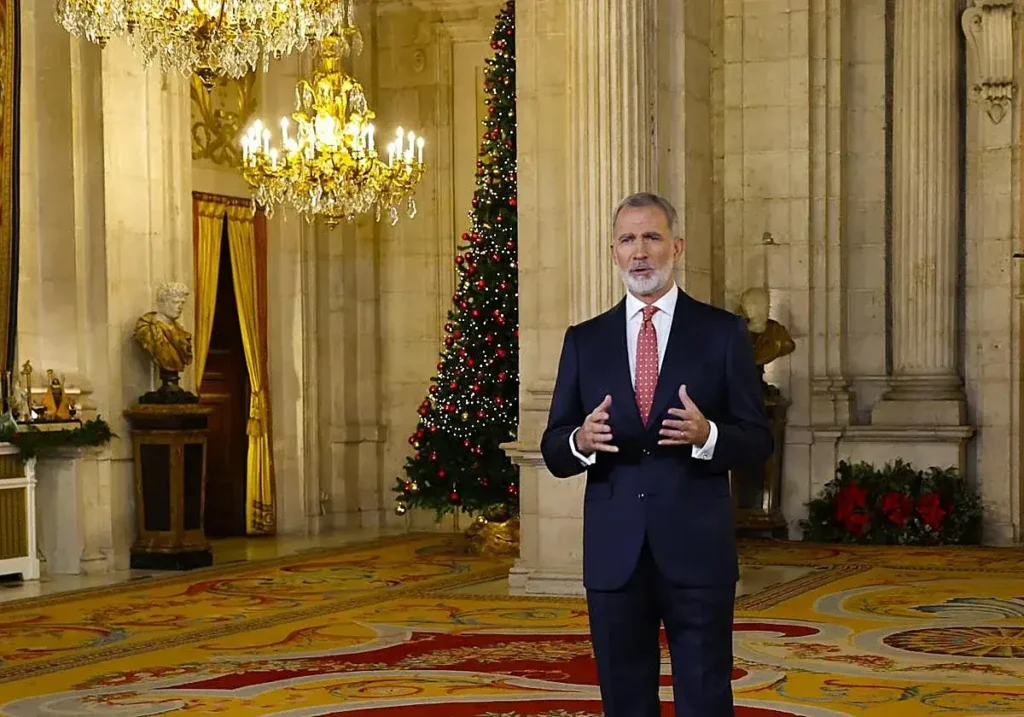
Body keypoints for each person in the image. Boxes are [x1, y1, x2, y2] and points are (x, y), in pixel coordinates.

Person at [540, 192, 773, 716]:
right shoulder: (585, 341)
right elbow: (553, 447)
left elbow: (758, 440)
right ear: (614, 252)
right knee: (624, 701)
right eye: (627, 240)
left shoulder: (722, 333)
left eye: (651, 237)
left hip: (697, 551)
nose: (639, 251)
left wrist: (708, 434)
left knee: (705, 696)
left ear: (677, 246)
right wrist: (580, 441)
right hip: (614, 554)